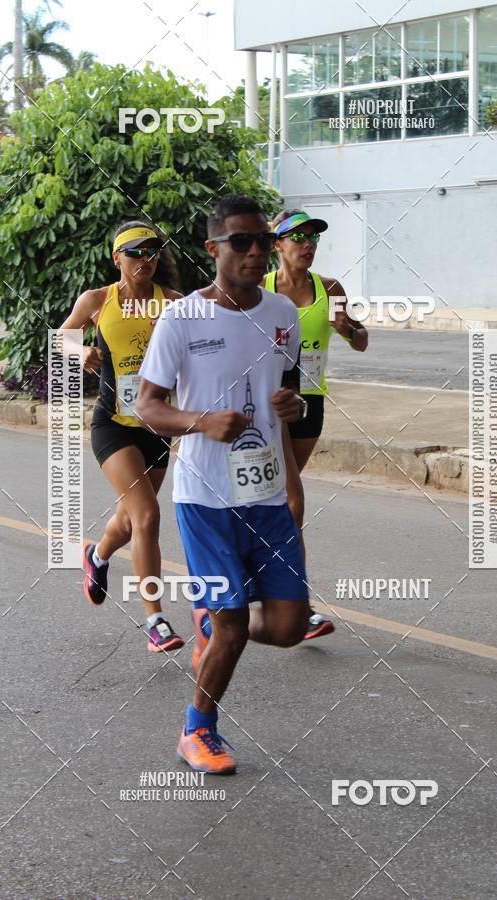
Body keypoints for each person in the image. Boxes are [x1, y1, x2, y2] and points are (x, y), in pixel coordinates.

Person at [137, 195, 311, 775]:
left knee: (287, 628)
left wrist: (291, 411)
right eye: (241, 241)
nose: (256, 251)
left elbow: (287, 391)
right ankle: (198, 730)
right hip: (205, 497)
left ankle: (211, 623)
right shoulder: (182, 318)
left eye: (262, 240)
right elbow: (147, 406)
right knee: (235, 623)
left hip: (265, 495)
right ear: (213, 249)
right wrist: (200, 422)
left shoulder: (283, 313)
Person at [60, 220, 185, 653]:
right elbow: (62, 338)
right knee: (147, 516)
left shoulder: (174, 303)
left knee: (131, 520)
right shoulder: (97, 301)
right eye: (135, 252)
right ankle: (156, 621)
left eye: (152, 251)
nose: (145, 259)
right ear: (117, 258)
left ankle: (96, 555)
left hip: (157, 427)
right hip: (112, 425)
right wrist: (81, 350)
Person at [264, 210, 369, 639]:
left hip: (310, 402)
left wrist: (347, 328)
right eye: (298, 237)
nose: (307, 244)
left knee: (276, 500)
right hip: (269, 404)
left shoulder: (330, 289)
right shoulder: (260, 289)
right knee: (292, 503)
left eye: (313, 238)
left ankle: (261, 578)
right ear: (277, 244)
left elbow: (361, 342)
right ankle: (300, 606)